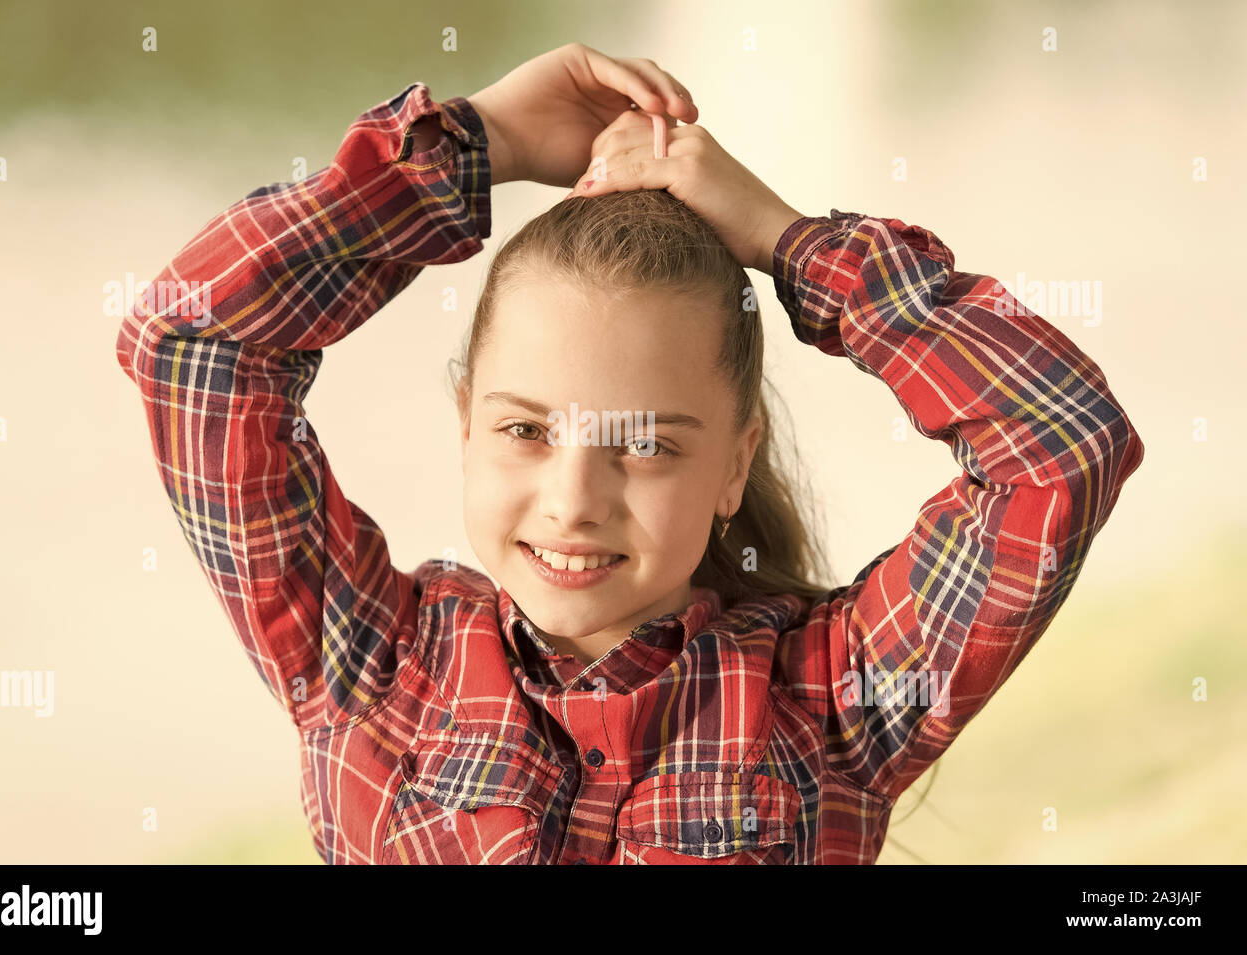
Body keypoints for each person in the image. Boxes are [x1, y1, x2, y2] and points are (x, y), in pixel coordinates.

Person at [114, 43, 1145, 864]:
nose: (573, 500)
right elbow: (193, 340)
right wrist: (477, 146)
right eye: (525, 429)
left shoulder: (833, 702)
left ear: (734, 463)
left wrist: (788, 241)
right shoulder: (366, 663)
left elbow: (1058, 443)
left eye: (645, 445)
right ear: (467, 422)